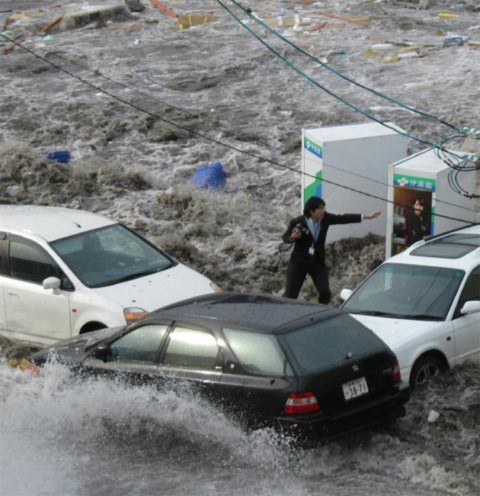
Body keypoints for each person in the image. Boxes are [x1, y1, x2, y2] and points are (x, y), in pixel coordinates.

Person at [282, 196, 381, 305]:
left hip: (317, 261)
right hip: (299, 262)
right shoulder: (297, 222)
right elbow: (285, 238)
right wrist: (292, 237)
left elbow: (343, 218)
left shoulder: (325, 218)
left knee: (325, 293)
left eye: (324, 208)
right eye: (320, 209)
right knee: (290, 295)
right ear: (312, 211)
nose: (323, 211)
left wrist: (366, 216)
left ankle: (318, 313)